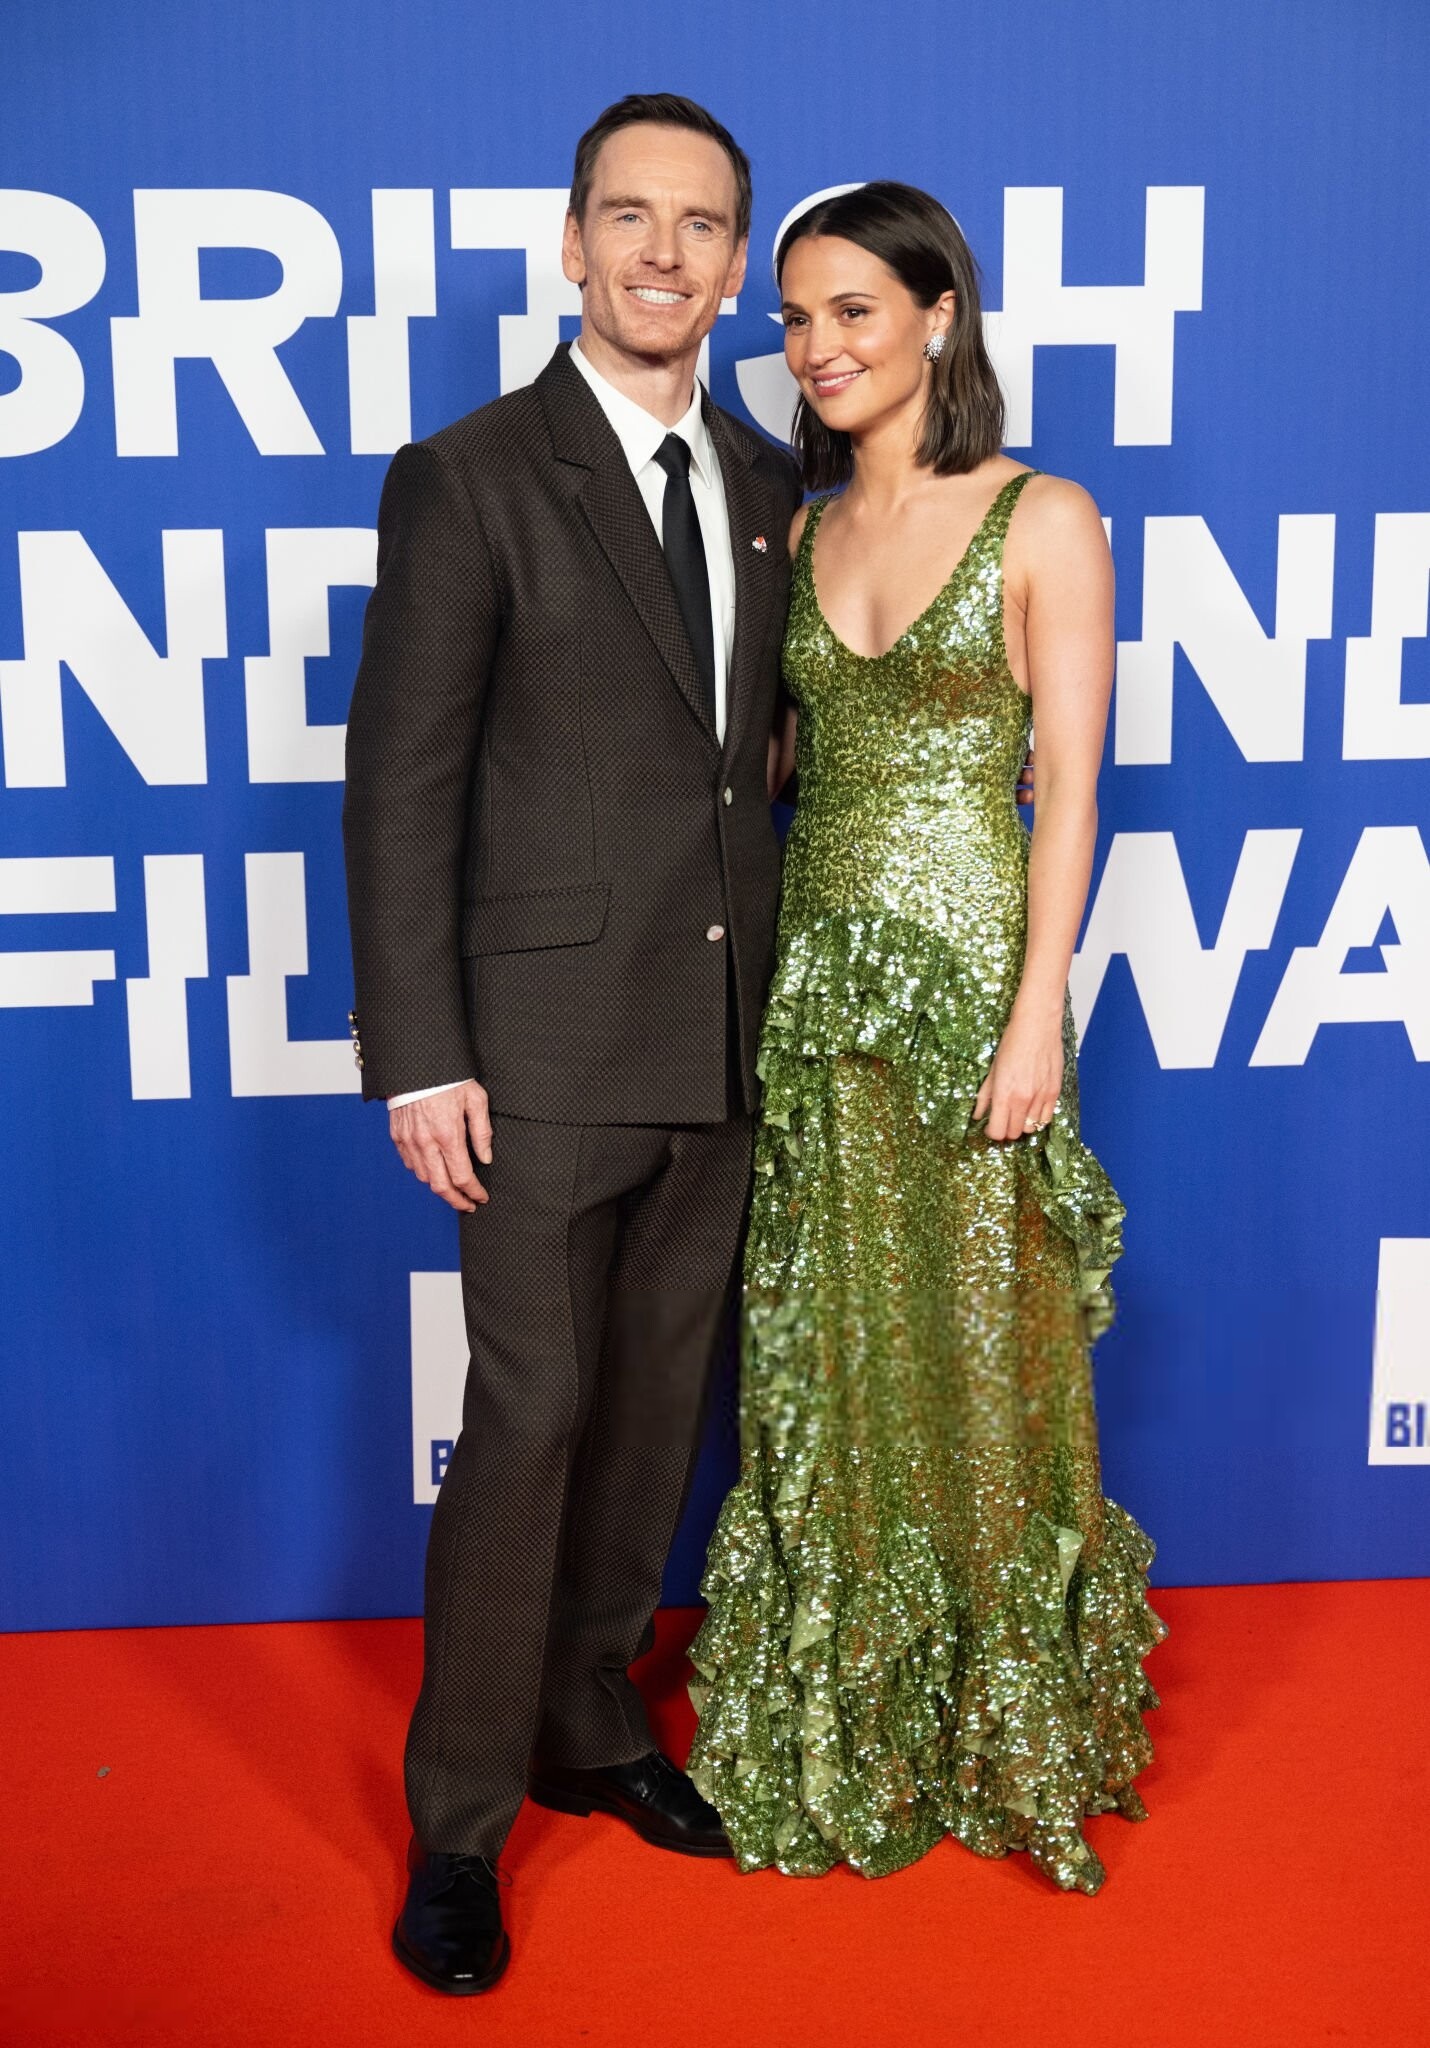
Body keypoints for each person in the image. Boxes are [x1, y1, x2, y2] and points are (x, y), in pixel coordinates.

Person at [342, 95, 805, 1994]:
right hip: (532, 1053)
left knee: (651, 1413)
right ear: (571, 244)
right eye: (629, 217)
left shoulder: (772, 480)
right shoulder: (470, 477)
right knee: (529, 1420)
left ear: (734, 266)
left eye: (698, 226)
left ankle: (591, 1721)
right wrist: (418, 1052)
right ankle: (458, 1825)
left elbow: (755, 757)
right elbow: (401, 785)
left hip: (721, 1040)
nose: (661, 254)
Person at [687, 182, 1166, 1895]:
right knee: (827, 1353)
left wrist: (1037, 1012)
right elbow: (764, 775)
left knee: (983, 1345)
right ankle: (857, 1711)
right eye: (793, 319)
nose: (814, 348)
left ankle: (1008, 1713)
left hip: (974, 995)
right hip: (816, 1000)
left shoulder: (1043, 515)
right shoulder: (795, 527)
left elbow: (1071, 792)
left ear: (937, 316)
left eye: (852, 313)